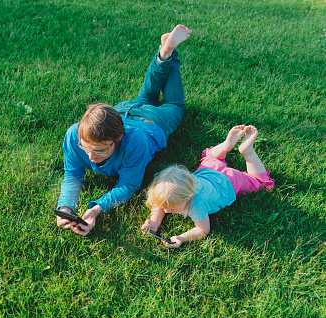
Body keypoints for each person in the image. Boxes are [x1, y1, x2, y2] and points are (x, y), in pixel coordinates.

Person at [56, 25, 193, 236]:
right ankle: (164, 52)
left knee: (175, 105)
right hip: (122, 111)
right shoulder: (74, 135)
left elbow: (128, 185)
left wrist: (97, 208)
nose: (92, 158)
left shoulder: (135, 142)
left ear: (118, 139)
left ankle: (169, 54)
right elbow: (72, 174)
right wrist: (65, 207)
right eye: (86, 148)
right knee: (146, 97)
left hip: (152, 121)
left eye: (101, 151)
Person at [141, 125, 274, 248]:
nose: (166, 210)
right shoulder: (178, 185)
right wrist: (153, 225)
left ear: (188, 198)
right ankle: (225, 146)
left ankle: (248, 151)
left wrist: (182, 238)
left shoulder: (196, 205)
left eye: (171, 207)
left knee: (260, 184)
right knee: (210, 157)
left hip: (229, 181)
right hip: (209, 170)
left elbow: (203, 229)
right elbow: (159, 205)